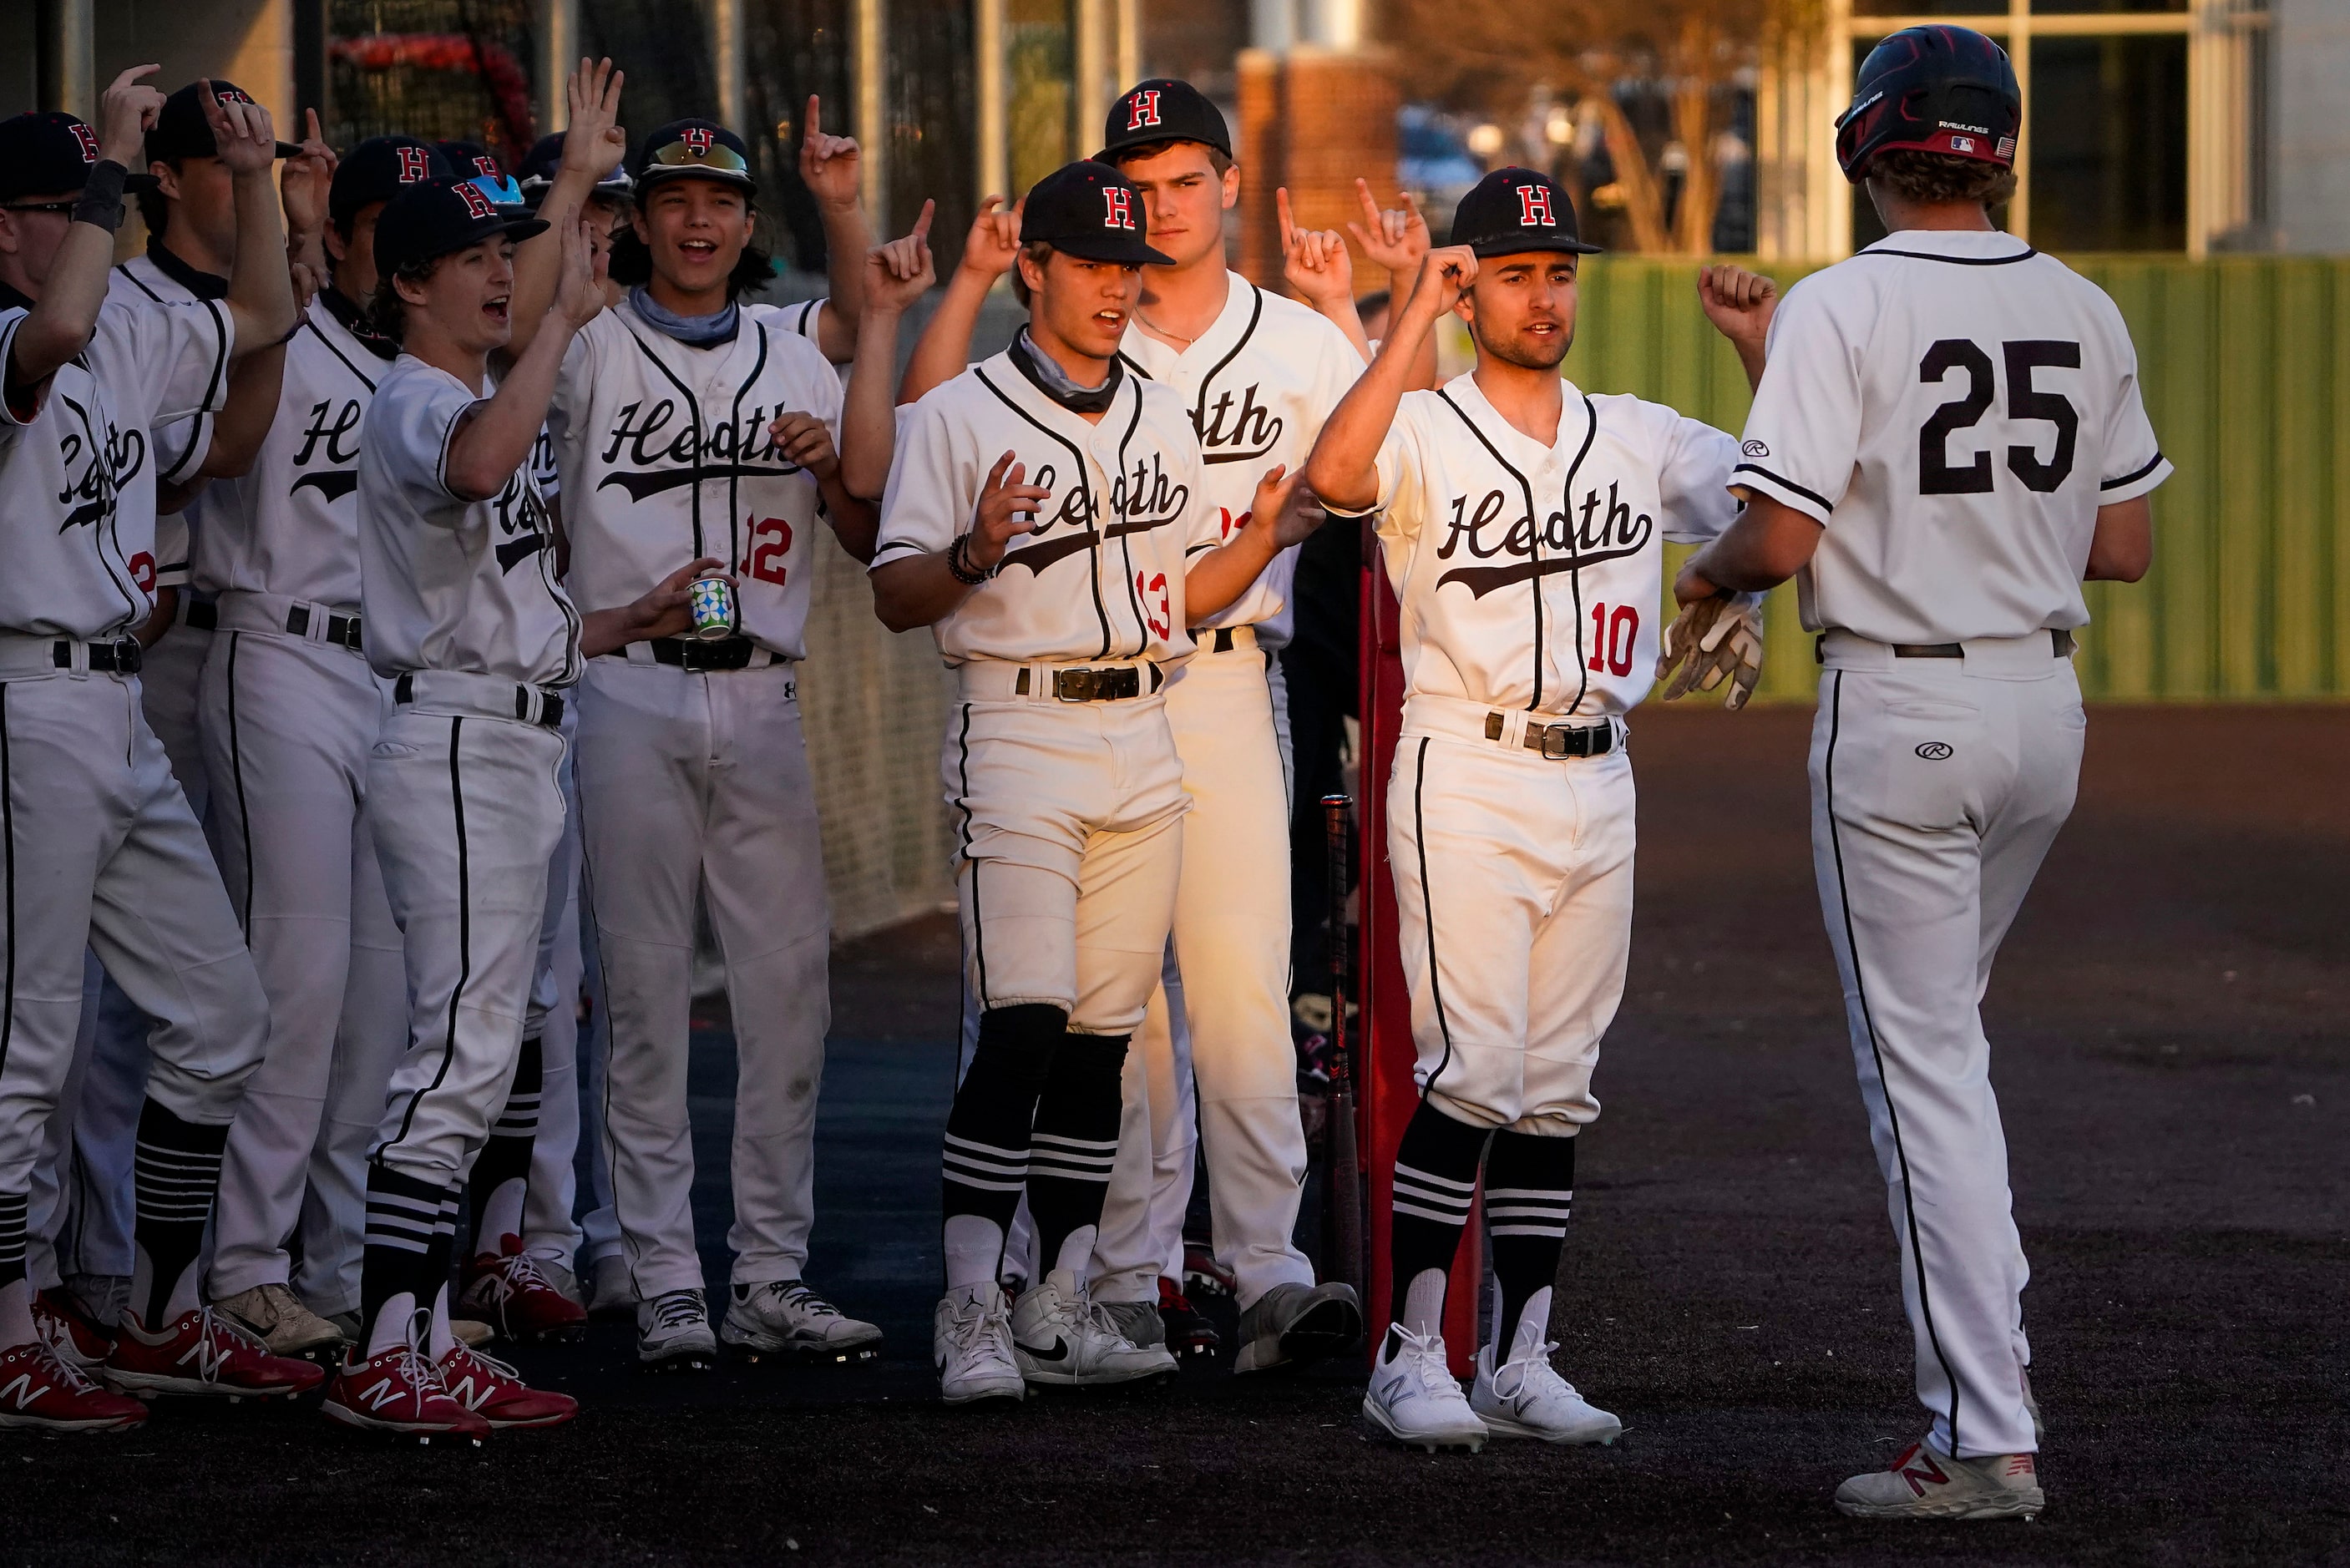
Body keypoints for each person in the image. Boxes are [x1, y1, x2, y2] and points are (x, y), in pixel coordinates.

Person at [1678, 24, 2165, 1520]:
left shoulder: (1841, 300)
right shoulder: (2081, 304)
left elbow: (1772, 538)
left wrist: (1704, 581)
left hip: (1902, 714)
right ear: (2001, 151)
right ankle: (1989, 1369)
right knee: (1946, 1051)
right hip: (2042, 710)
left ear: (1865, 144)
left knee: (1926, 1083)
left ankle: (1985, 1439)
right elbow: (2122, 546)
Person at [1304, 167, 1755, 1451]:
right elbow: (1338, 478)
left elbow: (1782, 496)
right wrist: (1410, 315)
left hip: (1599, 769)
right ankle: (1409, 1355)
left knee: (1556, 1085)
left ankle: (1521, 1353)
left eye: (1558, 270)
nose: (1544, 292)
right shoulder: (1421, 424)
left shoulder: (1639, 429)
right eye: (1513, 270)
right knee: (1475, 1070)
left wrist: (1758, 349)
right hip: (1469, 764)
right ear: (1469, 283)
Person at [872, 159, 1300, 1403]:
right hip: (1018, 727)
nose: (1120, 287)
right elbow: (898, 591)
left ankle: (1058, 1302)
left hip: (1147, 729)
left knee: (1099, 1044)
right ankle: (970, 1306)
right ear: (1035, 270)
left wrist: (1264, 533)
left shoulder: (1162, 412)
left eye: (1134, 269)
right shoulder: (956, 414)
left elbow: (1179, 598)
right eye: (1097, 265)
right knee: (1020, 1024)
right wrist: (972, 550)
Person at [519, 65, 919, 1368]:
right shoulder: (586, 341)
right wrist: (573, 191)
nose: (696, 222)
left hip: (761, 690)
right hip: (629, 693)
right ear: (642, 219)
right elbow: (517, 345)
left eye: (719, 202)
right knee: (639, 997)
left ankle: (770, 1270)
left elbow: (873, 314)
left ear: (750, 224)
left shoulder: (792, 341)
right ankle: (663, 1269)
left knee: (789, 995)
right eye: (675, 199)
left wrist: (843, 205)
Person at [322, 173, 699, 1438]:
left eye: (506, 251)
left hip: (505, 730)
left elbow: (507, 614)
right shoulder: (423, 397)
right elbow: (481, 470)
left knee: (481, 1056)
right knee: (456, 1055)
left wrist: (623, 623)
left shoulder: (477, 390)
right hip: (455, 744)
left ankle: (425, 1332)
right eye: (470, 256)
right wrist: (558, 326)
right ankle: (387, 1347)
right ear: (409, 284)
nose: (497, 271)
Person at [0, 72, 318, 1434]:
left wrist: (251, 182)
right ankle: (11, 1333)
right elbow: (57, 323)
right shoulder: (24, 318)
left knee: (222, 1019)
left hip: (113, 702)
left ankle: (158, 1312)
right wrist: (118, 170)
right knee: (29, 1047)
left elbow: (262, 320)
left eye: (90, 199)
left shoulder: (133, 325)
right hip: (22, 693)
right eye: (52, 202)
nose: (82, 219)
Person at [196, 136, 451, 1363]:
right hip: (280, 654)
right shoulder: (283, 333)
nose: (400, 240)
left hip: (386, 675)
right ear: (345, 239)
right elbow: (256, 310)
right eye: (377, 220)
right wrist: (281, 216)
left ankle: (338, 1268)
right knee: (293, 985)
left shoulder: (431, 373)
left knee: (382, 1004)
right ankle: (237, 1267)